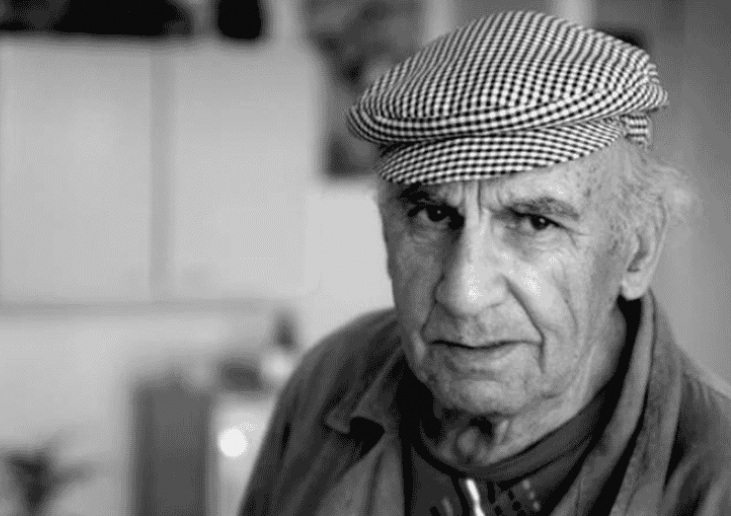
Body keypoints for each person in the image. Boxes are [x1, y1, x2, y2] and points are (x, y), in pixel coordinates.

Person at [240, 10, 731, 516]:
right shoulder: (328, 379)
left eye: (536, 222)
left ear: (638, 250)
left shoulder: (717, 475)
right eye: (433, 215)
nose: (464, 294)